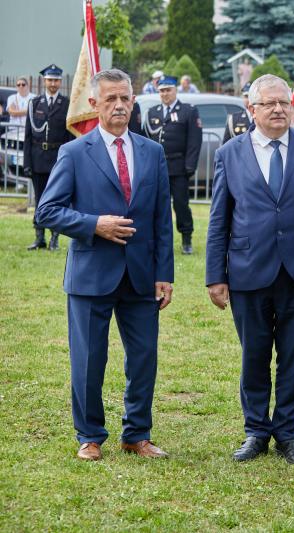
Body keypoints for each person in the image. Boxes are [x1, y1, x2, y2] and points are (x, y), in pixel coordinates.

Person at [35, 68, 175, 461]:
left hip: (141, 276)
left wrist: (164, 274)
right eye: (111, 98)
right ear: (94, 103)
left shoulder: (152, 152)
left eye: (125, 98)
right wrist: (94, 224)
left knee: (144, 358)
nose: (119, 105)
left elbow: (161, 219)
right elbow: (47, 210)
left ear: (134, 101)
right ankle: (90, 435)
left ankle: (137, 434)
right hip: (91, 274)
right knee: (89, 359)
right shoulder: (74, 153)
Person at [206, 74, 294, 464]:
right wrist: (215, 276)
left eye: (284, 103)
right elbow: (219, 219)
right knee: (254, 356)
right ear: (252, 109)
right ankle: (256, 431)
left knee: (293, 357)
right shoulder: (229, 153)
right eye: (269, 103)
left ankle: (288, 434)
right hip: (248, 270)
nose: (278, 109)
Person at [144, 76, 202, 254]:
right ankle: (158, 239)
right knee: (156, 206)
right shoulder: (152, 112)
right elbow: (146, 140)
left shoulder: (188, 111)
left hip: (179, 167)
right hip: (157, 168)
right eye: (161, 91)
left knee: (181, 205)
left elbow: (194, 140)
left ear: (175, 90)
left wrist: (190, 166)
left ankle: (186, 239)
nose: (165, 94)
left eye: (168, 90)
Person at [23, 64, 74, 251]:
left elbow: (70, 137)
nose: (53, 83)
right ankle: (39, 238)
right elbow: (28, 136)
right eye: (50, 80)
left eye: (56, 80)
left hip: (57, 159)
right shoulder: (34, 103)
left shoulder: (66, 104)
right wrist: (27, 163)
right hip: (37, 158)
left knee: (57, 201)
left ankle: (54, 239)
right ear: (44, 81)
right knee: (39, 199)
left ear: (60, 82)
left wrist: (69, 163)